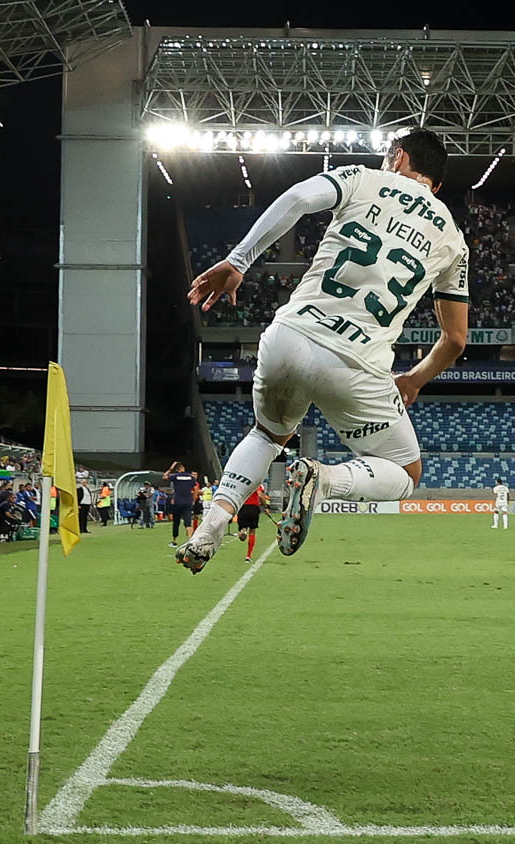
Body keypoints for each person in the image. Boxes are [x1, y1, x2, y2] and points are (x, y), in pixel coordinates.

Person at [177, 128, 469, 573]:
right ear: (438, 184)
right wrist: (413, 380)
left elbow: (296, 198)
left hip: (290, 335)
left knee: (266, 434)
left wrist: (237, 261)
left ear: (398, 156)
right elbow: (455, 340)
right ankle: (324, 479)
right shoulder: (452, 239)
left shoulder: (362, 177)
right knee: (405, 472)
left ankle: (209, 528)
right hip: (357, 361)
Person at [162, 462, 198, 547]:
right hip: (188, 502)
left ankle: (174, 541)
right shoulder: (191, 477)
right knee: (188, 522)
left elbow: (164, 477)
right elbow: (196, 489)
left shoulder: (175, 476)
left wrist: (170, 468)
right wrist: (193, 500)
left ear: (177, 470)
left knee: (176, 522)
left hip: (178, 502)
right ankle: (190, 541)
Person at [236, 482, 268, 563]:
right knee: (252, 531)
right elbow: (260, 495)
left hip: (243, 507)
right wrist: (265, 506)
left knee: (242, 527)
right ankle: (248, 556)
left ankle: (243, 531)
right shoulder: (258, 484)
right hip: (254, 508)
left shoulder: (243, 483)